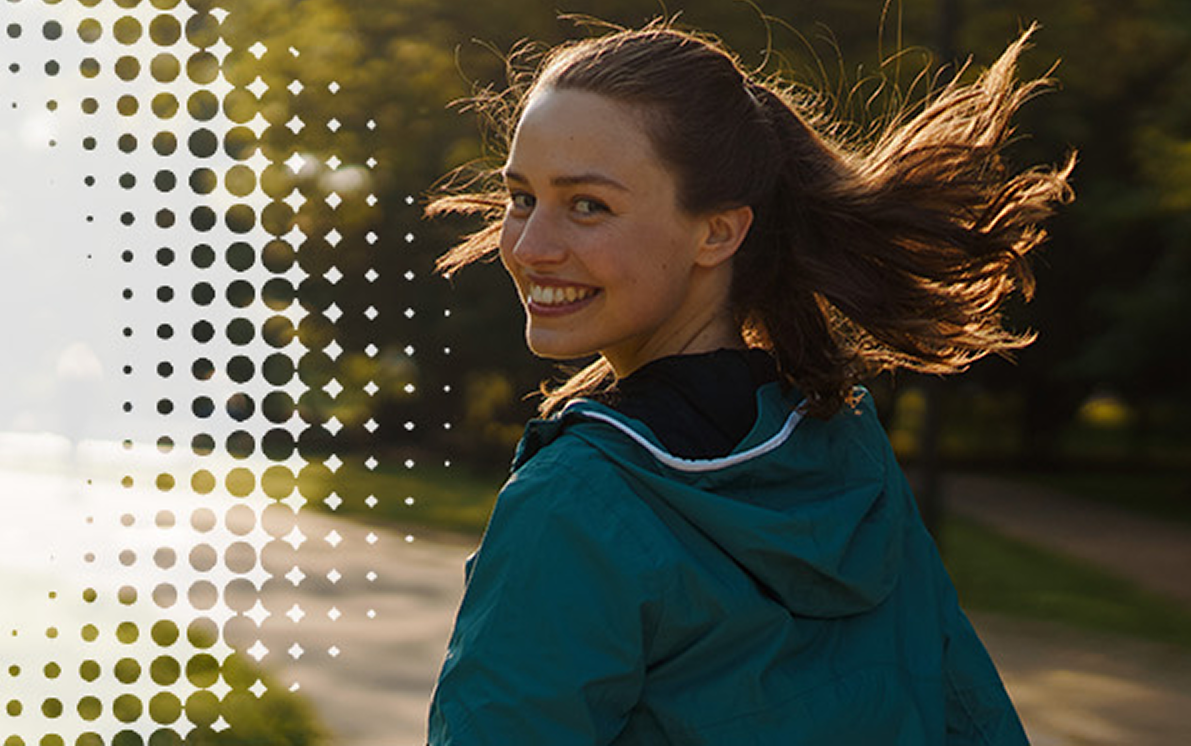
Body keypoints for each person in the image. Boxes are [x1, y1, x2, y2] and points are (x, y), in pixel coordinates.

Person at [425, 18, 1073, 745]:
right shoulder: (844, 448)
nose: (529, 246)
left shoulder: (574, 507)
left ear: (719, 232)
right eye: (521, 198)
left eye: (587, 205)